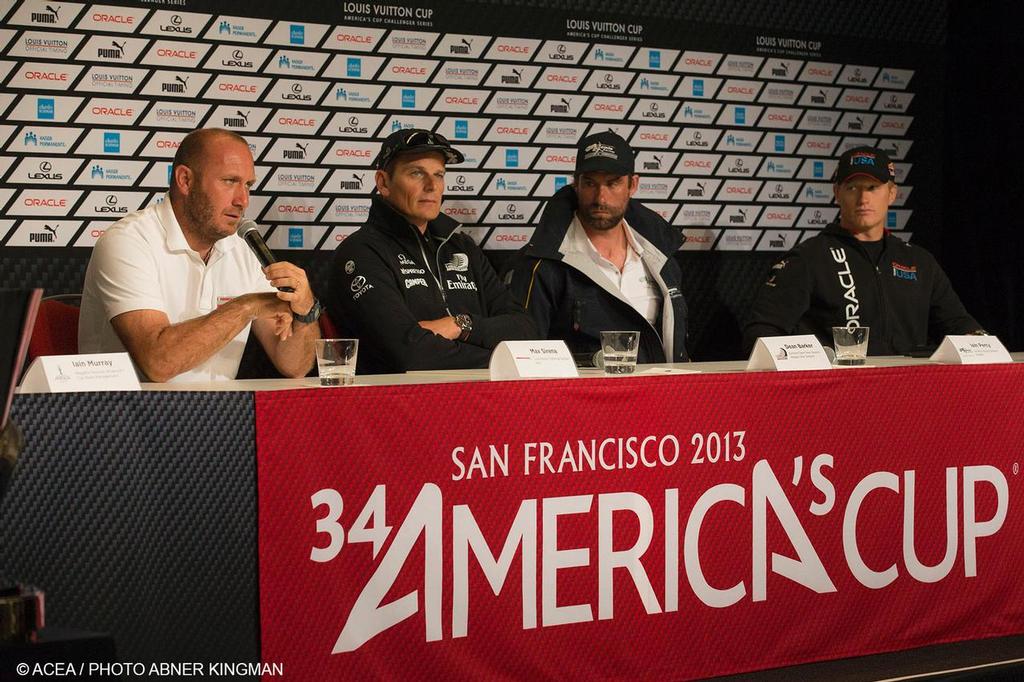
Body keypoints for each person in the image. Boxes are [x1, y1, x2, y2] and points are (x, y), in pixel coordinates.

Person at [79, 128, 320, 382]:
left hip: (217, 417)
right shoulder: (128, 241)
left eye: (248, 185)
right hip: (125, 417)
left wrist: (305, 311)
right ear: (185, 180)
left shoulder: (243, 250)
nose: (243, 200)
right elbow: (158, 362)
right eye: (230, 181)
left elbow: (294, 366)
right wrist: (248, 306)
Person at [326, 129, 536, 373]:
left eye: (439, 175)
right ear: (383, 183)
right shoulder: (361, 252)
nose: (432, 186)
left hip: (481, 398)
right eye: (417, 173)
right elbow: (410, 354)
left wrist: (460, 325)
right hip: (399, 404)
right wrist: (503, 360)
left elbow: (526, 330)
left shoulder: (462, 247)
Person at [743, 146, 984, 355]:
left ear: (891, 194)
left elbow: (958, 323)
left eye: (872, 187)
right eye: (852, 188)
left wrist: (981, 343)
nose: (862, 199)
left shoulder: (919, 261)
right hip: (835, 396)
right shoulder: (808, 258)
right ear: (837, 194)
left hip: (910, 394)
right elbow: (762, 332)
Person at [506, 131, 689, 365]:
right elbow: (525, 357)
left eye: (613, 184)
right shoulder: (540, 265)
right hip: (578, 398)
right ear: (576, 183)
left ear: (632, 185)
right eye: (590, 183)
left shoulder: (661, 258)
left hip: (658, 395)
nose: (601, 198)